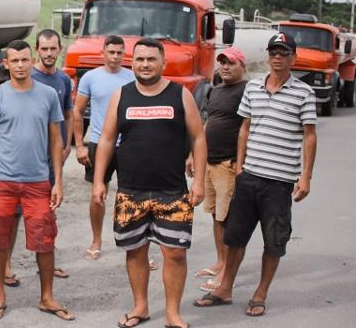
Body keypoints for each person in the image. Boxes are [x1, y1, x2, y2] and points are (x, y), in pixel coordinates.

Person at [194, 32, 317, 318]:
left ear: (292, 58)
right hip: (249, 176)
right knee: (235, 237)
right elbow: (245, 128)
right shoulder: (253, 89)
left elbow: (309, 137)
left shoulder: (304, 93)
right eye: (273, 52)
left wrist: (306, 177)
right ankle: (225, 288)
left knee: (273, 241)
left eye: (283, 53)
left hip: (280, 181)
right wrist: (239, 167)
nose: (277, 57)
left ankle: (260, 292)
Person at [92, 37, 206, 328]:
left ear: (163, 63)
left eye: (151, 59)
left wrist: (200, 182)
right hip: (131, 191)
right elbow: (106, 140)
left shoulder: (181, 95)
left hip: (173, 191)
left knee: (175, 253)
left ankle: (172, 314)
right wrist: (99, 181)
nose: (145, 64)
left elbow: (198, 137)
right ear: (133, 62)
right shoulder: (122, 95)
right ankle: (140, 307)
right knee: (135, 250)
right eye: (140, 59)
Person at [0, 40, 75, 321]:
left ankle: (47, 297)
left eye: (24, 60)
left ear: (32, 61)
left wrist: (58, 182)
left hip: (38, 182)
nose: (20, 65)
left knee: (45, 241)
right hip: (2, 181)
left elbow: (56, 141)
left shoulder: (48, 95)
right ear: (5, 64)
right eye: (14, 61)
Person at [2, 29, 72, 288]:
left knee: (47, 214)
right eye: (44, 49)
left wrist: (67, 146)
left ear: (60, 49)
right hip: (25, 162)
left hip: (50, 159)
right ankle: (7, 264)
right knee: (15, 215)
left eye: (53, 48)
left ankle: (47, 263)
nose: (49, 53)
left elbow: (68, 114)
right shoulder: (27, 76)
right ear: (36, 52)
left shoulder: (64, 81)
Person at [187, 47, 247, 292]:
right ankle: (220, 261)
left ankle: (227, 271)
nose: (225, 67)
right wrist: (193, 155)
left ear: (242, 66)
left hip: (228, 163)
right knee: (214, 214)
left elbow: (248, 127)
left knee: (228, 217)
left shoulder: (247, 91)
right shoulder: (216, 90)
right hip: (209, 161)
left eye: (231, 63)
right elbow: (207, 122)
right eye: (222, 62)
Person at [72, 35, 135, 261]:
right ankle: (96, 240)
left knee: (131, 196)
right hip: (100, 143)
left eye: (120, 52)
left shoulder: (132, 77)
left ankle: (135, 245)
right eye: (111, 52)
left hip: (128, 143)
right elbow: (77, 112)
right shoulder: (90, 77)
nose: (115, 56)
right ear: (103, 53)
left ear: (124, 54)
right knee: (98, 194)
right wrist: (79, 145)